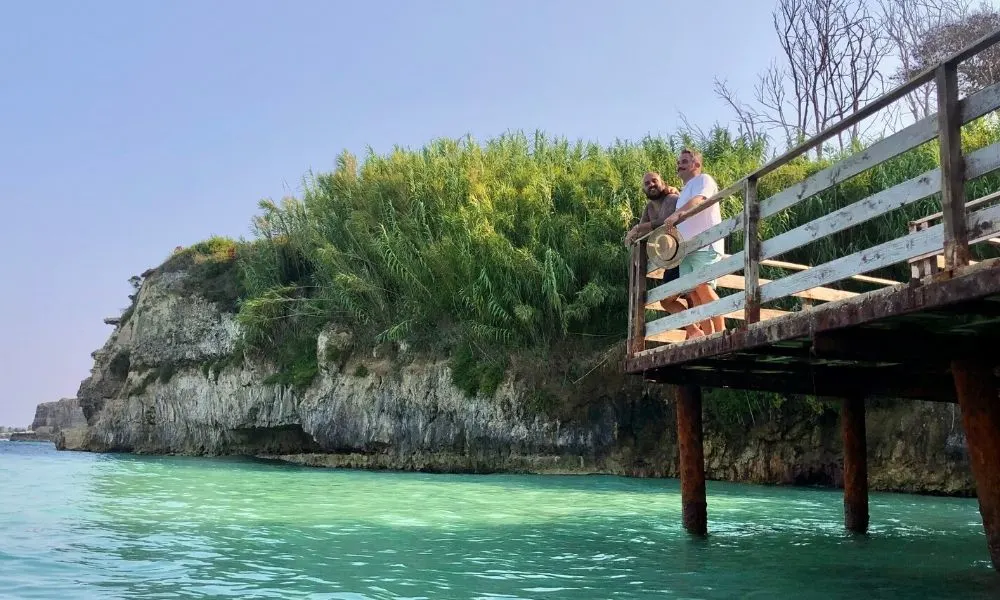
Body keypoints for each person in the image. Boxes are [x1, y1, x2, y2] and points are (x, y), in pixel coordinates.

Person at [663, 148, 725, 337]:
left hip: (705, 244)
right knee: (694, 295)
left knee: (703, 287)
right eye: (678, 162)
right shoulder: (683, 192)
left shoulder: (704, 179)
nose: (679, 165)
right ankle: (706, 336)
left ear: (696, 164)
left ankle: (721, 332)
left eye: (684, 161)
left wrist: (677, 214)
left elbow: (699, 200)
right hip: (687, 249)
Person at [624, 172, 693, 325]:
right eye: (647, 183)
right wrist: (633, 235)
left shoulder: (671, 198)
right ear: (643, 189)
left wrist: (637, 228)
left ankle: (695, 330)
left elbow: (665, 221)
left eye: (654, 181)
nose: (651, 185)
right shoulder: (649, 207)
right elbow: (642, 231)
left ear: (663, 182)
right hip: (671, 258)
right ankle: (694, 330)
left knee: (690, 295)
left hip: (683, 253)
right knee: (669, 300)